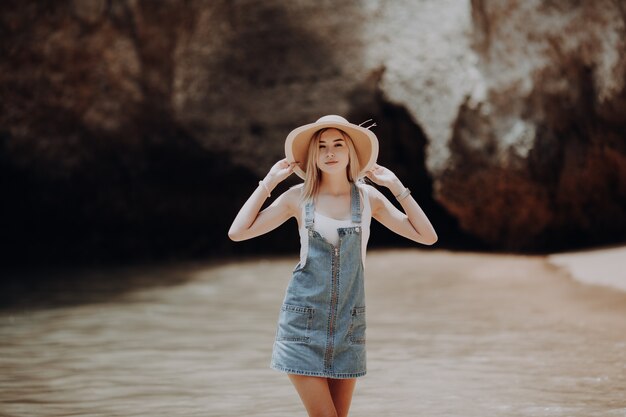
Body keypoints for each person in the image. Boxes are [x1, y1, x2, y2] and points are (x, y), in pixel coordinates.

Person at [228, 115, 437, 417]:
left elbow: (427, 236)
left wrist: (396, 186)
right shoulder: (298, 198)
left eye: (338, 144)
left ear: (351, 151)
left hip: (349, 327)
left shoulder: (368, 199)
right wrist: (268, 182)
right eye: (322, 146)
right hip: (302, 327)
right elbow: (238, 232)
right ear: (312, 155)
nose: (330, 152)